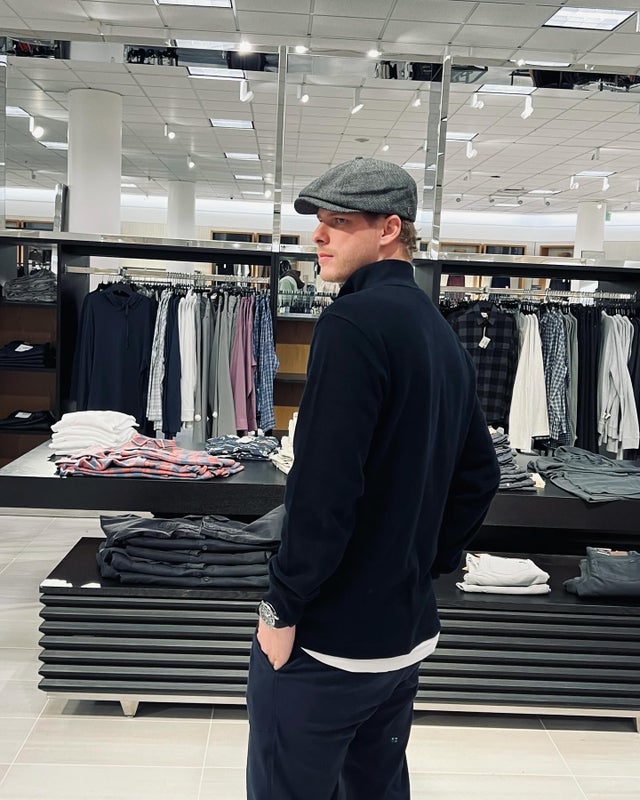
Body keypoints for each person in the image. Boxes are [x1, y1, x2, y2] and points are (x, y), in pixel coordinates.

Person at [246, 157, 500, 800]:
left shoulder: (352, 323)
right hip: (402, 635)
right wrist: (422, 562)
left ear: (389, 229)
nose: (318, 235)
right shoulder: (439, 331)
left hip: (328, 641)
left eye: (338, 221)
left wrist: (282, 603)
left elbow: (324, 491)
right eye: (319, 221)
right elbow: (479, 473)